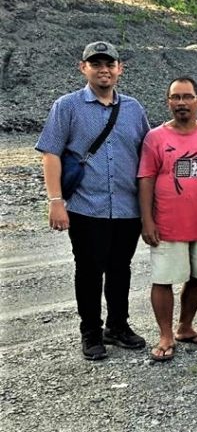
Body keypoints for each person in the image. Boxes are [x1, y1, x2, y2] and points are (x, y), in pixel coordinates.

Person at [36, 41, 151, 360]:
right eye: (96, 64)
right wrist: (55, 200)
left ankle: (117, 326)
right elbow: (51, 153)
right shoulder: (67, 106)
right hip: (86, 207)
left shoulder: (134, 109)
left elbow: (148, 154)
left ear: (119, 69)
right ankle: (90, 333)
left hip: (127, 208)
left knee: (120, 269)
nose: (104, 70)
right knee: (88, 270)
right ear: (83, 67)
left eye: (109, 64)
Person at [139, 77, 197, 362]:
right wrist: (147, 221)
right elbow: (146, 179)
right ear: (168, 102)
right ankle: (165, 335)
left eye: (187, 96)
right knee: (163, 279)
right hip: (167, 224)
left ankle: (186, 326)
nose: (181, 103)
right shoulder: (155, 137)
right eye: (176, 97)